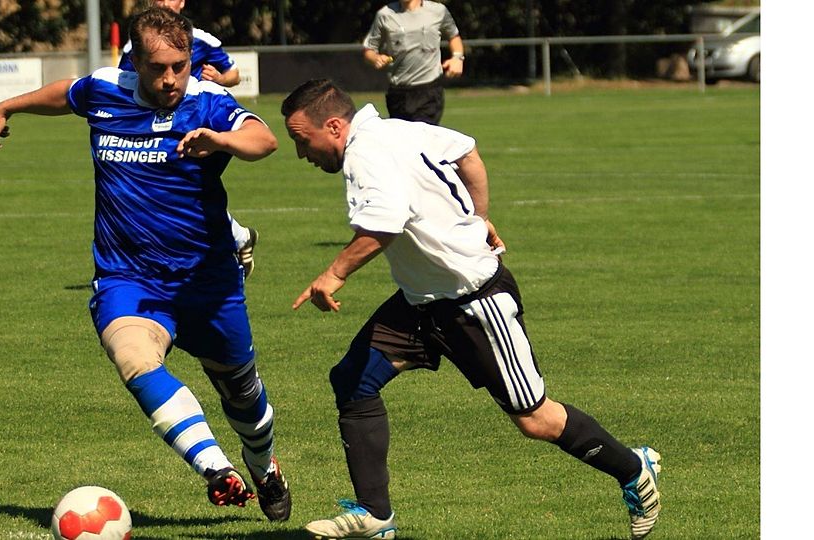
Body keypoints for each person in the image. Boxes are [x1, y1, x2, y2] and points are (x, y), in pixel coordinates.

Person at [281, 79, 661, 540]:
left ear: (335, 126)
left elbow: (384, 224)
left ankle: (634, 468)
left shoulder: (365, 154)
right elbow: (468, 153)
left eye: (303, 141)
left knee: (536, 420)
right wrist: (479, 217)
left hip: (474, 302)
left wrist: (334, 273)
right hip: (420, 303)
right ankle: (374, 516)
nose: (303, 153)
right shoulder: (401, 129)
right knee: (353, 380)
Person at [0, 8, 290, 522]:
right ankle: (215, 468)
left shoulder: (207, 102)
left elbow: (264, 139)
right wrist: (8, 106)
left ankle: (264, 467)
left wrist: (221, 140)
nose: (170, 79)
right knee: (134, 358)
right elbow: (66, 94)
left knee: (245, 401)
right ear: (136, 63)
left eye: (180, 66)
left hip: (206, 280)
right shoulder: (107, 90)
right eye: (157, 68)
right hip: (128, 276)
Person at [120, 0, 259, 277]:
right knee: (175, 193)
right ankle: (238, 237)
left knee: (186, 191)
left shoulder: (202, 39)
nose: (163, 2)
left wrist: (219, 79)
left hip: (199, 122)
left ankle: (226, 247)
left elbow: (233, 75)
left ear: (182, 3)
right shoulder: (135, 45)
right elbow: (127, 83)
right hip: (153, 124)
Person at [362, 0, 465, 126]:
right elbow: (369, 50)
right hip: (398, 93)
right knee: (403, 142)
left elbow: (454, 36)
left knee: (422, 138)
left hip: (428, 90)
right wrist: (375, 58)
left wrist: (457, 58)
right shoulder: (385, 15)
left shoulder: (438, 11)